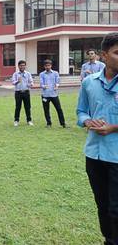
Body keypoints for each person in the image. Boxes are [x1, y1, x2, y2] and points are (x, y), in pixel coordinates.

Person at [77, 32, 118, 245]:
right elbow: (81, 111)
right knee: (102, 204)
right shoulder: (89, 83)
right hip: (94, 155)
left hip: (116, 157)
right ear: (104, 55)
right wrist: (87, 122)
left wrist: (114, 128)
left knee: (115, 207)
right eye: (117, 53)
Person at [39, 59, 67, 128]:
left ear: (51, 66)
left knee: (59, 109)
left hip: (54, 94)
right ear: (44, 66)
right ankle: (49, 123)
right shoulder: (42, 74)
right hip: (45, 95)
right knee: (46, 110)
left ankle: (63, 123)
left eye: (49, 65)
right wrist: (43, 86)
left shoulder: (55, 73)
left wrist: (56, 86)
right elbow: (41, 83)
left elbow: (57, 81)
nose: (47, 67)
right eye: (46, 66)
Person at [11, 60, 34, 127]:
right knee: (18, 107)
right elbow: (13, 82)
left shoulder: (28, 74)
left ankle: (29, 120)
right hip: (18, 92)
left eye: (23, 65)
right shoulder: (15, 74)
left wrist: (31, 84)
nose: (22, 67)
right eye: (21, 65)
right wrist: (18, 81)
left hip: (26, 92)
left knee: (28, 107)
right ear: (18, 66)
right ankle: (16, 121)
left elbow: (31, 81)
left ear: (25, 66)